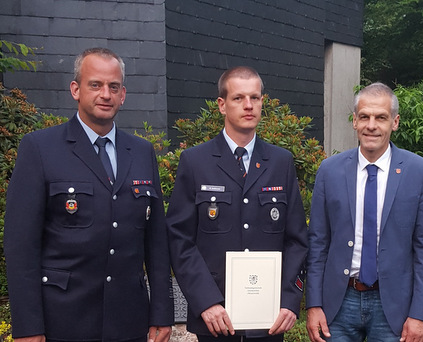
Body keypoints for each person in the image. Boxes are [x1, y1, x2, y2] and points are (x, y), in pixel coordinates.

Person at [4, 48, 174, 342]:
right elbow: (21, 246)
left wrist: (161, 311)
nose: (105, 94)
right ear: (76, 90)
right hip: (63, 321)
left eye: (114, 87)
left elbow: (156, 242)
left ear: (123, 95)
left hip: (128, 321)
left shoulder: (142, 152)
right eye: (95, 85)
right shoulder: (41, 148)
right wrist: (29, 326)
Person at [166, 66, 308, 342]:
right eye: (238, 98)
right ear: (221, 104)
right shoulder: (196, 162)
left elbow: (297, 240)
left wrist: (290, 300)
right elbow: (179, 239)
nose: (248, 105)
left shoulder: (281, 162)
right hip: (216, 317)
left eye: (255, 98)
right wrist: (205, 301)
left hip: (269, 319)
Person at [306, 82, 423, 342]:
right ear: (355, 122)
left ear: (395, 122)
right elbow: (318, 242)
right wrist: (313, 305)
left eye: (381, 117)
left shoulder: (422, 173)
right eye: (364, 117)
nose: (371, 125)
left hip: (394, 306)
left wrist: (421, 315)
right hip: (338, 303)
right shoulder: (329, 171)